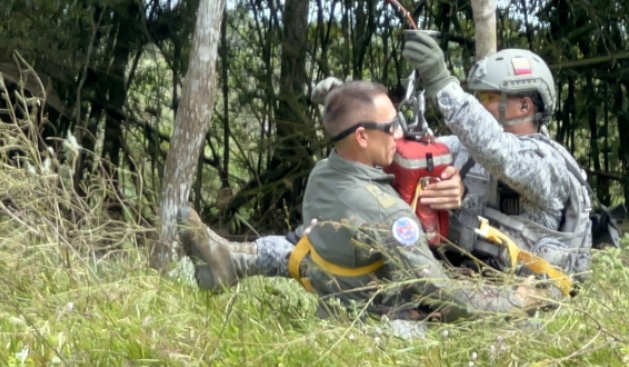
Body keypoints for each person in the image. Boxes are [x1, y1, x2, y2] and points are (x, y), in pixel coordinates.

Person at [181, 80, 543, 320]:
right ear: (362, 138)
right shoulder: (390, 217)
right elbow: (443, 293)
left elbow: (354, 112)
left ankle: (233, 261)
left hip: (328, 284)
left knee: (296, 242)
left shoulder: (324, 172)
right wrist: (517, 300)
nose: (400, 135)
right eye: (392, 128)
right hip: (379, 321)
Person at [401, 32, 595, 279]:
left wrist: (440, 81)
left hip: (531, 299)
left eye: (490, 97)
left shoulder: (547, 163)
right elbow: (413, 152)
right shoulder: (465, 148)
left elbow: (500, 152)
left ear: (525, 106)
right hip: (469, 284)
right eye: (480, 96)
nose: (479, 104)